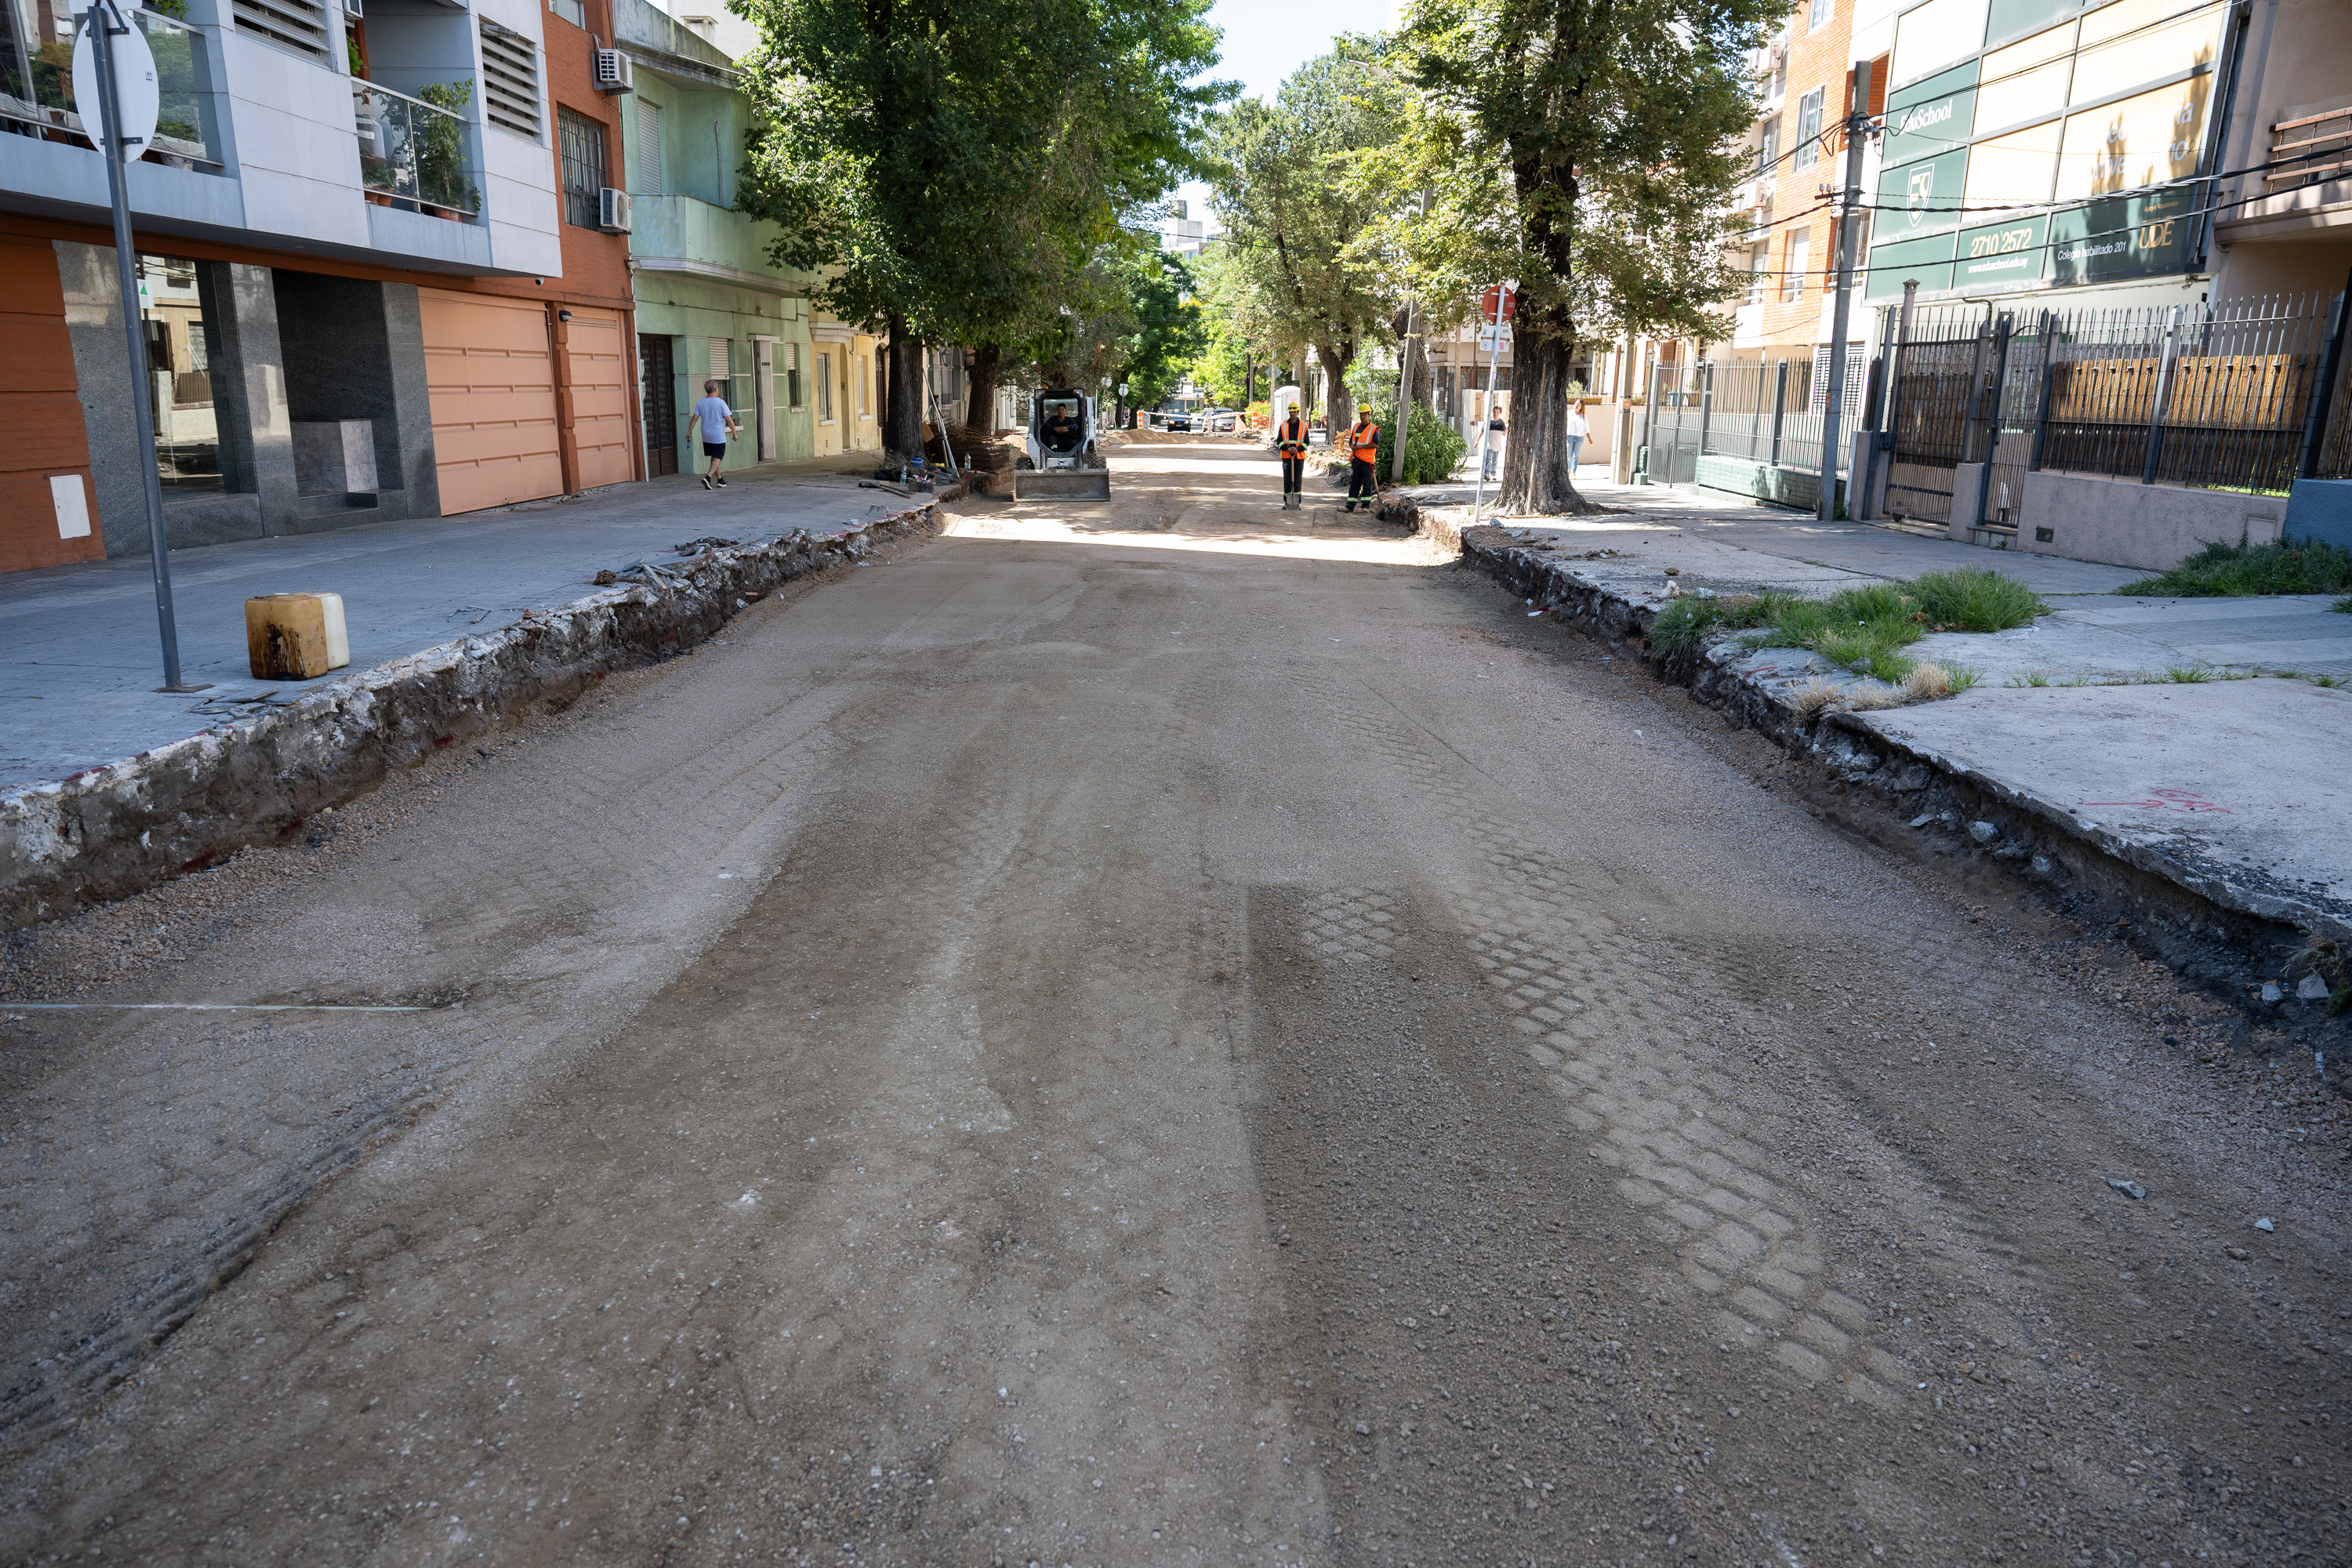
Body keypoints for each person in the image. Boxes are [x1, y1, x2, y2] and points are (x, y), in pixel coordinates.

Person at [691, 380, 739, 489]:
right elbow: (729, 419)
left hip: (706, 434)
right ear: (717, 389)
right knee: (718, 456)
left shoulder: (701, 402)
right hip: (717, 435)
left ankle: (720, 480)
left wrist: (689, 432)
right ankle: (708, 477)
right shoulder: (721, 403)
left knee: (714, 457)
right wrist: (734, 433)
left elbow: (694, 418)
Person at [1272, 405, 1308, 509]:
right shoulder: (1283, 425)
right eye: (1291, 412)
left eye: (1294, 412)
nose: (1292, 414)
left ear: (1297, 413)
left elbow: (1307, 442)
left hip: (1299, 457)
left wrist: (1297, 449)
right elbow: (1279, 441)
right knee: (1287, 480)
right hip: (1287, 457)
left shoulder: (1304, 425)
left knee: (1297, 481)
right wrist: (1288, 448)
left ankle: (1296, 504)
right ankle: (1287, 503)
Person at [1343, 411, 1380, 512]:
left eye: (1365, 415)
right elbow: (1351, 440)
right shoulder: (1356, 427)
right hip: (1357, 459)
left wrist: (1360, 446)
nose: (1362, 417)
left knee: (1367, 484)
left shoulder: (1373, 429)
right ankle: (1349, 506)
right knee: (1355, 483)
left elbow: (1376, 444)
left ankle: (1365, 507)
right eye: (1361, 415)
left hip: (1368, 461)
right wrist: (1352, 446)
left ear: (1369, 415)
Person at [1563, 400, 1591, 472]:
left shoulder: (1584, 416)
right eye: (1576, 403)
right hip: (1570, 437)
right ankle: (1569, 469)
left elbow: (1586, 428)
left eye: (1578, 404)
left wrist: (1589, 438)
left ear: (1582, 407)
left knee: (1576, 455)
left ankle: (1573, 472)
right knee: (1569, 455)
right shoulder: (1569, 413)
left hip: (1579, 438)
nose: (1576, 405)